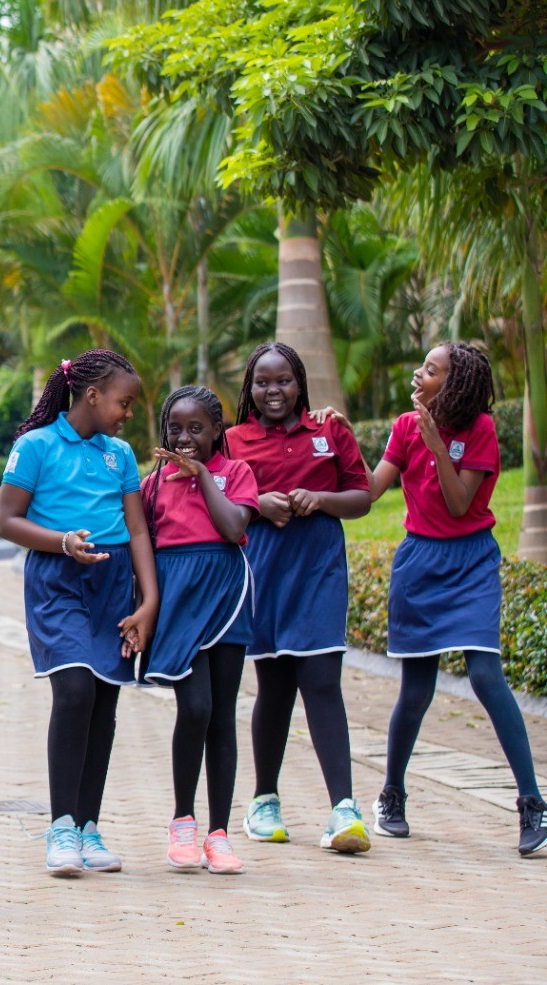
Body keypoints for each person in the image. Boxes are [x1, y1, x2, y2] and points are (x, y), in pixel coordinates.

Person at [364, 342, 546, 856]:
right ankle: (392, 794)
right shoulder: (404, 426)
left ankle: (532, 803)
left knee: (487, 676)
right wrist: (334, 438)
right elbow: (373, 488)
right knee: (416, 691)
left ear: (456, 383)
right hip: (419, 564)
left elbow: (460, 502)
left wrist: (437, 444)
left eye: (431, 369)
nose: (419, 374)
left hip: (471, 562)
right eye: (422, 366)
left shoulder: (480, 430)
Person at [0, 349, 158, 877]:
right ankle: (61, 826)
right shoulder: (35, 446)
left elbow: (137, 531)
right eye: (123, 402)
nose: (127, 412)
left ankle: (89, 827)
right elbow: (6, 521)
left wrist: (148, 602)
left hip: (113, 586)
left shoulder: (122, 455)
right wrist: (61, 542)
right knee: (75, 692)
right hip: (57, 579)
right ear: (91, 394)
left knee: (104, 705)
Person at [224, 343, 373, 853]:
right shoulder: (232, 439)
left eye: (284, 380)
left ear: (300, 383)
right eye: (263, 382)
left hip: (319, 570)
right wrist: (256, 503)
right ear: (249, 388)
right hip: (264, 571)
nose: (274, 391)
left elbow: (363, 497)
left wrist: (322, 500)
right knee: (275, 684)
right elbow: (217, 501)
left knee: (322, 679)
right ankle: (264, 800)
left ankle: (344, 810)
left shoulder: (330, 431)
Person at [141, 386, 259, 876]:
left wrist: (204, 476)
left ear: (217, 432)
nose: (185, 437)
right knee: (195, 707)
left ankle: (218, 834)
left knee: (222, 716)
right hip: (179, 598)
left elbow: (234, 527)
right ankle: (182, 820)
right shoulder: (153, 483)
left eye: (197, 429)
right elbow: (142, 545)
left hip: (226, 596)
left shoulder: (235, 474)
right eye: (176, 428)